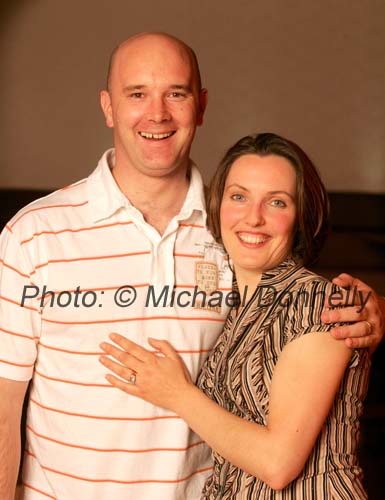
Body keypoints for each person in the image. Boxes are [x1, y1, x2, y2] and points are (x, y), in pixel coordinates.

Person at [0, 33, 383, 500]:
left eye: (175, 94)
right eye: (137, 94)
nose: (157, 114)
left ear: (200, 106)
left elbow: (299, 317)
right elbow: (2, 413)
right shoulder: (35, 235)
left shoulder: (235, 235)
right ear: (108, 107)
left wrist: (370, 308)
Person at [99, 132, 372, 498]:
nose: (253, 218)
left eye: (276, 202)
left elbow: (277, 463)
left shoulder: (321, 304)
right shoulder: (232, 305)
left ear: (301, 215)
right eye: (239, 197)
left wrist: (176, 393)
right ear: (218, 204)